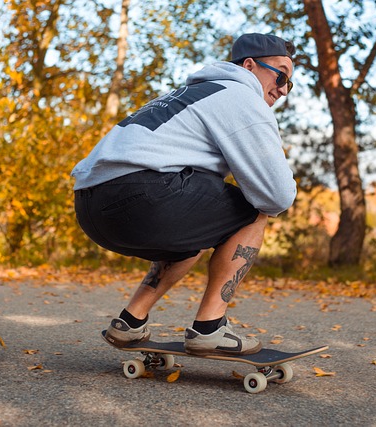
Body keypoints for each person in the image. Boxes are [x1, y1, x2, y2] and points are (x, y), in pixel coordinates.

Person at [72, 33, 297, 356]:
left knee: (196, 228)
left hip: (90, 207)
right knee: (255, 211)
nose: (283, 88)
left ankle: (130, 321)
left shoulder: (189, 94)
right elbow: (277, 195)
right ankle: (209, 328)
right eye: (280, 74)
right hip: (143, 197)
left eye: (290, 83)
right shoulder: (240, 95)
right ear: (249, 66)